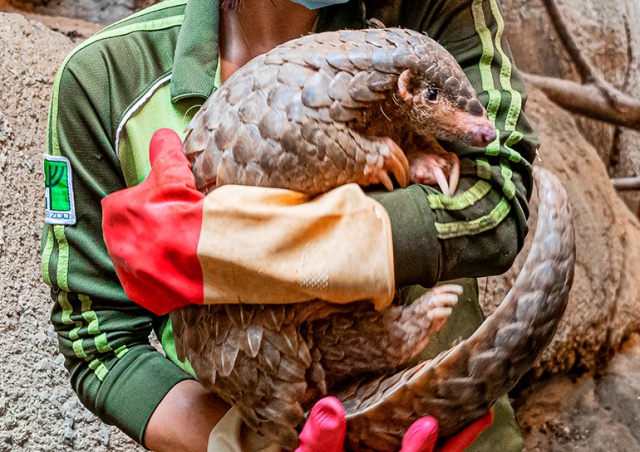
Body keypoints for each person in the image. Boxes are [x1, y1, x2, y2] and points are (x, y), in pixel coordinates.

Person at [41, 0, 537, 450]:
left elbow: (496, 200)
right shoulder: (106, 77)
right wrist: (235, 442)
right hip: (269, 402)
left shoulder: (433, 12)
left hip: (452, 428)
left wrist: (227, 244)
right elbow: (99, 343)